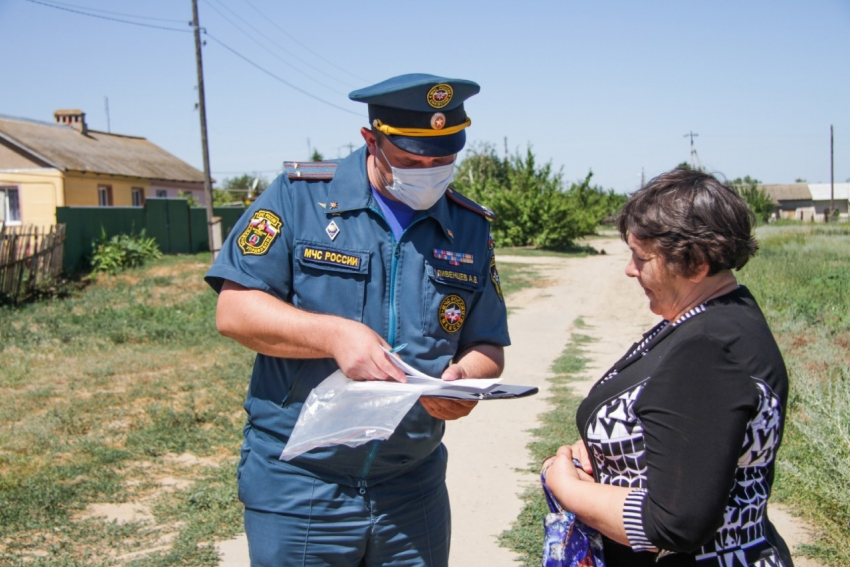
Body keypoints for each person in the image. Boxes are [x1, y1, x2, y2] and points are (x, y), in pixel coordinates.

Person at [205, 74, 509, 566]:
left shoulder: (469, 226)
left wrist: (465, 379)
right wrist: (333, 335)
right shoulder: (298, 199)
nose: (430, 172)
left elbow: (487, 344)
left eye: (444, 160)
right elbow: (234, 311)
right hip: (301, 482)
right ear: (372, 140)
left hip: (413, 484)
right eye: (412, 160)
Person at [541, 168, 793, 566]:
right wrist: (605, 455)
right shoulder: (722, 316)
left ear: (695, 264)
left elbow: (675, 523)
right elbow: (692, 438)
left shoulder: (707, 350)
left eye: (642, 258)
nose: (629, 269)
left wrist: (565, 486)